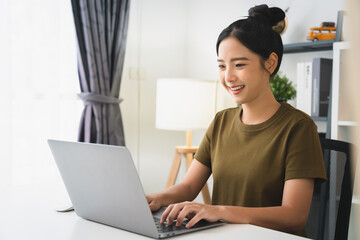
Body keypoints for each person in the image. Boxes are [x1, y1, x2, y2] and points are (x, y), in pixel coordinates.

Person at [146, 4, 326, 237]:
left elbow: (294, 216)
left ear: (270, 63)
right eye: (222, 66)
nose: (228, 77)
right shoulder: (222, 121)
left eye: (239, 64)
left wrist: (218, 211)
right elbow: (189, 187)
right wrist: (154, 199)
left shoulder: (298, 127)